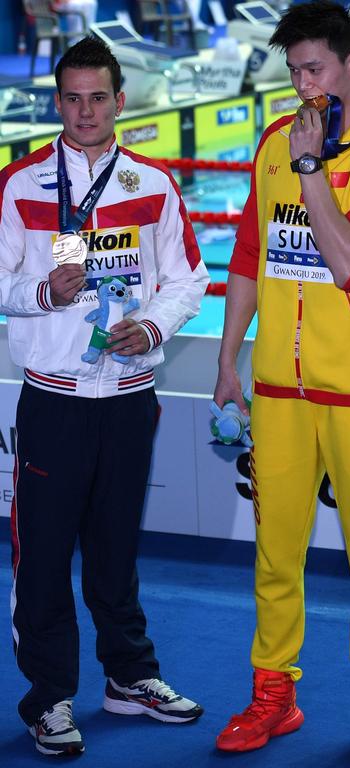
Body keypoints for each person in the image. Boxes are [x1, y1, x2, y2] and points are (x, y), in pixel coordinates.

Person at [212, 2, 350, 764]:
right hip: (276, 390)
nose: (304, 86)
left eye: (317, 69)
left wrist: (312, 172)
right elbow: (247, 253)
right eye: (295, 70)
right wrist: (228, 360)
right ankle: (274, 695)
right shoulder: (275, 141)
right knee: (275, 555)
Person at [0, 36, 208, 757]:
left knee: (117, 550)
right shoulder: (20, 183)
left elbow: (190, 278)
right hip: (54, 400)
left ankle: (129, 678)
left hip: (127, 393)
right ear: (57, 103)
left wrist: (152, 324)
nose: (85, 111)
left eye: (98, 97)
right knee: (46, 557)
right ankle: (49, 699)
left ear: (121, 102)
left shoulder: (151, 182)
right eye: (73, 97)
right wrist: (35, 291)